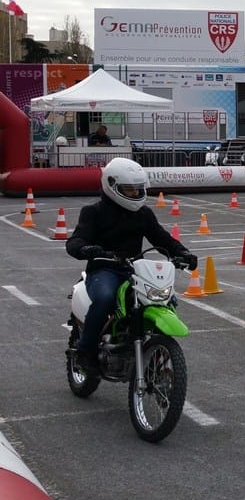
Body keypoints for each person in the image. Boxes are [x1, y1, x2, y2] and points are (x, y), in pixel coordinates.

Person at [66, 158, 197, 375]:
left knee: (166, 299)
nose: (136, 195)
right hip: (104, 269)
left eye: (139, 190)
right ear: (111, 185)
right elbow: (75, 241)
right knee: (105, 298)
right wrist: (88, 250)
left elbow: (161, 238)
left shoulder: (143, 214)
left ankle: (154, 348)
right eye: (130, 190)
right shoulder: (94, 212)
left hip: (134, 270)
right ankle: (85, 352)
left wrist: (182, 253)